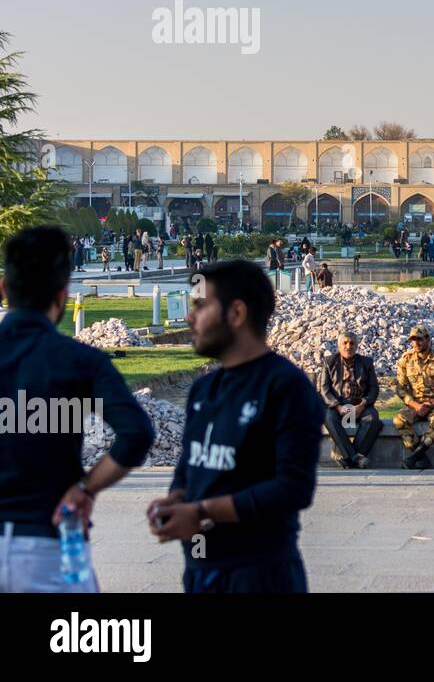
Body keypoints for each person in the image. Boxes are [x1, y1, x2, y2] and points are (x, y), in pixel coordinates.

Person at [147, 260, 322, 593]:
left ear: (237, 313)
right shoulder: (204, 389)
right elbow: (190, 467)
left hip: (259, 574)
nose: (189, 317)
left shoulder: (285, 387)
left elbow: (293, 488)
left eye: (200, 305)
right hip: (200, 571)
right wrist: (175, 501)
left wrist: (199, 511)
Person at [0, 227, 154, 592]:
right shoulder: (79, 361)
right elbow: (135, 433)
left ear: (5, 288)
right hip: (48, 545)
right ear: (63, 294)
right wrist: (86, 489)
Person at [391, 325, 434, 470]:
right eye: (413, 340)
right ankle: (421, 457)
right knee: (398, 420)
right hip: (415, 404)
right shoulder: (406, 360)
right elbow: (400, 388)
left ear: (428, 339)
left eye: (419, 339)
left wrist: (432, 404)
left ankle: (414, 457)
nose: (416, 343)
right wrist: (415, 405)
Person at [318, 331, 380, 468]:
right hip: (337, 405)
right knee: (329, 418)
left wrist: (363, 405)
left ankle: (349, 459)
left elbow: (374, 388)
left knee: (372, 418)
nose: (348, 346)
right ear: (339, 346)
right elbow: (324, 389)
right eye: (345, 343)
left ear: (357, 346)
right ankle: (355, 458)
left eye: (352, 343)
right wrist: (338, 407)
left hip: (359, 404)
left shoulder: (366, 362)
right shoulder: (329, 362)